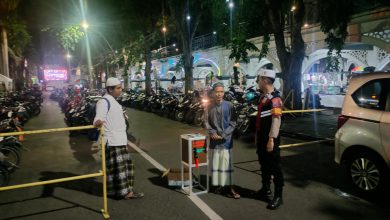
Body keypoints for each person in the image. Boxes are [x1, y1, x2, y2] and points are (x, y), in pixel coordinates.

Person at [94, 77, 144, 200]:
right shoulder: (104, 101)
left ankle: (114, 191)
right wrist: (98, 122)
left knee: (118, 168)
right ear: (110, 89)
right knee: (121, 169)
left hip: (119, 140)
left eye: (120, 87)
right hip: (112, 141)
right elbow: (98, 117)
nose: (120, 90)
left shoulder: (113, 100)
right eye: (118, 88)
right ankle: (126, 193)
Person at [204, 82, 240, 199]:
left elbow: (233, 123)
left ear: (224, 93)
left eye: (221, 92)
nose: (219, 94)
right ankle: (219, 185)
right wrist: (212, 132)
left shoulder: (229, 105)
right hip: (214, 140)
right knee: (217, 163)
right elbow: (206, 121)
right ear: (213, 93)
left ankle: (230, 188)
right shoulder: (209, 106)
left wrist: (224, 134)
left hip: (226, 141)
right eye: (217, 92)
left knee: (227, 164)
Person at [255, 69, 284, 210]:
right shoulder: (263, 97)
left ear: (265, 80)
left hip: (270, 138)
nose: (258, 82)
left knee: (275, 166)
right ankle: (265, 189)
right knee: (264, 164)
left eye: (259, 79)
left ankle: (278, 196)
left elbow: (276, 120)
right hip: (262, 137)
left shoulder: (275, 98)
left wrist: (271, 139)